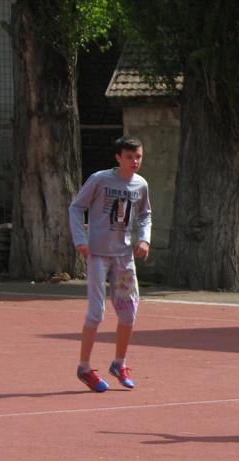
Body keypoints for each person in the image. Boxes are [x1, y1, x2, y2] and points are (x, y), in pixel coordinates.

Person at [68, 136, 151, 392]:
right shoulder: (100, 179)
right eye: (129, 157)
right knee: (96, 312)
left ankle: (119, 363)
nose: (134, 161)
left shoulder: (141, 185)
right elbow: (76, 207)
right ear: (118, 157)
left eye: (138, 157)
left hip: (123, 257)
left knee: (128, 312)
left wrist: (144, 239)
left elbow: (145, 214)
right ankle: (84, 367)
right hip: (98, 256)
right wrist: (81, 239)